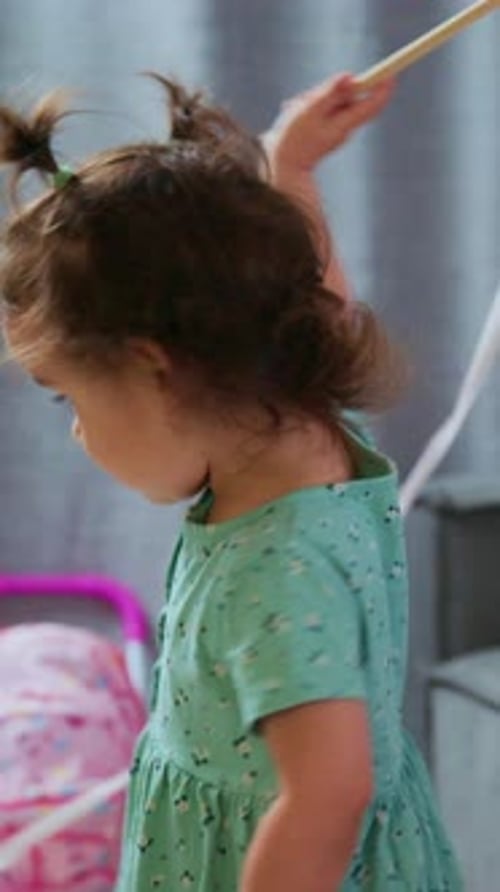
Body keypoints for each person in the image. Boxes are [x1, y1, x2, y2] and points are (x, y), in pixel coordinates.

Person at [0, 71, 462, 891]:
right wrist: (291, 169)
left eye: (70, 396)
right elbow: (319, 302)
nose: (76, 428)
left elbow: (329, 792)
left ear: (154, 369)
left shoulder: (270, 571)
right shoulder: (308, 419)